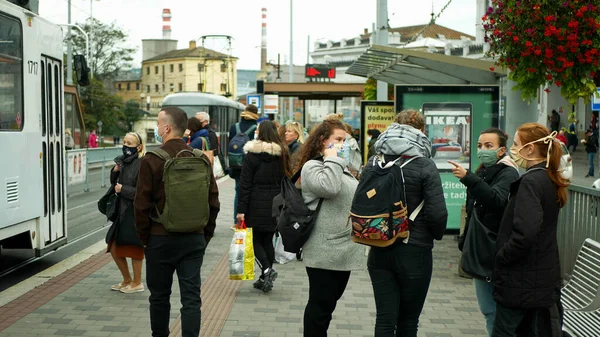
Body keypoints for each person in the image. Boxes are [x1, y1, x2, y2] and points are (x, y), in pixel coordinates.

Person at [134, 106, 220, 337]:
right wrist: (204, 235)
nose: (157, 127)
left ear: (167, 128)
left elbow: (140, 205)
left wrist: (146, 239)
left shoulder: (152, 159)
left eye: (159, 123)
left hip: (159, 239)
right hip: (193, 239)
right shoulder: (200, 159)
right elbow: (213, 201)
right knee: (191, 299)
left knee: (159, 296)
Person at [367, 110, 448, 337]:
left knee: (384, 318)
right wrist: (435, 235)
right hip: (415, 249)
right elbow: (437, 214)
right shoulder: (424, 165)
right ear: (421, 131)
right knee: (408, 320)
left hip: (379, 245)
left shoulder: (375, 161)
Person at [492, 123, 569, 337]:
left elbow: (526, 232)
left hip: (520, 280)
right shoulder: (547, 178)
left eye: (516, 145)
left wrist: (502, 255)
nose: (512, 150)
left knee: (504, 332)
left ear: (531, 149)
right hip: (538, 279)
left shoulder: (531, 181)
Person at [295, 119, 365, 337]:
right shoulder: (312, 167)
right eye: (338, 140)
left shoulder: (340, 167)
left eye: (345, 140)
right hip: (324, 249)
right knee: (320, 307)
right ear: (322, 141)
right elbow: (330, 188)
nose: (343, 144)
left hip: (342, 248)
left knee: (327, 306)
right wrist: (333, 159)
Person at [452, 128, 519, 337]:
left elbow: (496, 200)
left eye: (489, 146)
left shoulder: (508, 172)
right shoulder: (484, 170)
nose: (482, 150)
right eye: (480, 146)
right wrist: (464, 241)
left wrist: (469, 179)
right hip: (480, 248)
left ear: (501, 150)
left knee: (493, 310)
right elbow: (473, 210)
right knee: (487, 309)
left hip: (493, 249)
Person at [236, 120, 291, 293]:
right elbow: (287, 178)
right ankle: (263, 278)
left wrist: (241, 210)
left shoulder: (252, 154)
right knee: (267, 239)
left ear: (260, 133)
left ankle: (267, 270)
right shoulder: (282, 153)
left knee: (253, 240)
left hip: (255, 202)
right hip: (276, 203)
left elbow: (245, 184)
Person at [107, 132, 146, 294]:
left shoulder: (141, 164)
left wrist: (123, 190)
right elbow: (114, 183)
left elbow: (143, 192)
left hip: (134, 212)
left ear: (138, 147)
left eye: (129, 143)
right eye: (124, 142)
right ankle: (127, 279)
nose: (125, 146)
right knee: (113, 246)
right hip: (122, 211)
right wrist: (115, 171)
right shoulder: (123, 163)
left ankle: (137, 282)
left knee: (134, 248)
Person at [228, 104, 259, 225]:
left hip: (235, 163)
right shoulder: (255, 128)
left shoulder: (234, 127)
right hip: (249, 164)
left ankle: (236, 221)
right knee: (248, 192)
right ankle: (246, 219)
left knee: (238, 191)